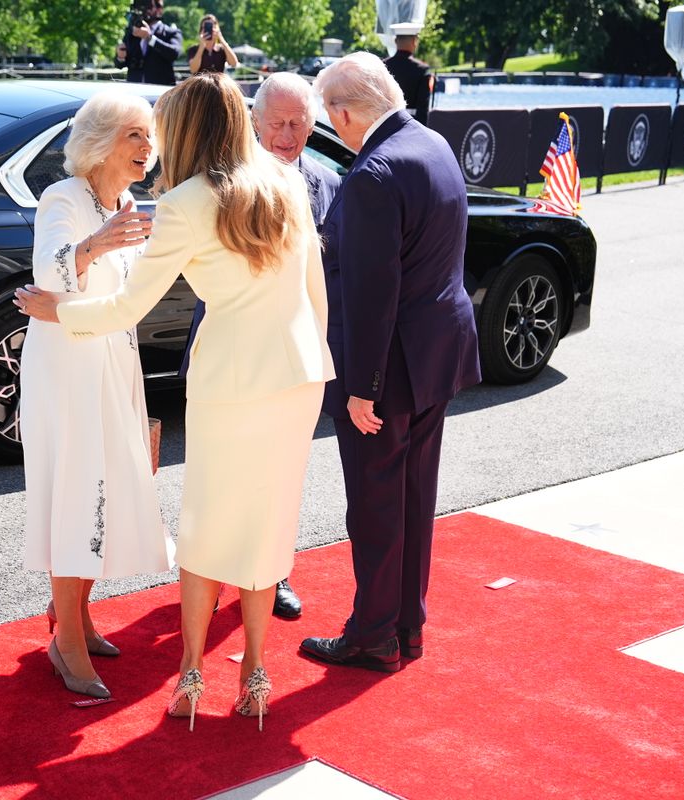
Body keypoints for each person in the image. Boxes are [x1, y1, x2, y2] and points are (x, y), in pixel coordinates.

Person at [15, 73, 333, 731]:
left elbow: (132, 305)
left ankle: (190, 676)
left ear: (186, 130)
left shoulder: (186, 202)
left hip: (233, 380)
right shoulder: (285, 180)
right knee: (269, 523)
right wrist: (313, 359)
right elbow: (317, 294)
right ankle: (253, 673)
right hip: (300, 374)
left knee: (208, 524)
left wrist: (61, 313)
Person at [299, 53, 480, 672]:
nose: (335, 127)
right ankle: (408, 627)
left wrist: (361, 387)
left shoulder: (374, 172)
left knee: (376, 504)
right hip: (437, 354)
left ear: (344, 113)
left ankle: (373, 635)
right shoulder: (433, 144)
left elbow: (372, 292)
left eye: (331, 117)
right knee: (413, 497)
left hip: (390, 367)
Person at [16, 91, 174, 700]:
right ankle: (67, 645)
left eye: (148, 136)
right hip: (67, 369)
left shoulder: (129, 203)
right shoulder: (64, 199)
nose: (146, 148)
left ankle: (76, 617)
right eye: (134, 135)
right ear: (102, 142)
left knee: (107, 486)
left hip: (113, 361)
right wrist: (97, 244)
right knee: (77, 493)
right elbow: (49, 275)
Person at [177, 71, 339, 621]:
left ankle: (273, 575)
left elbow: (323, 280)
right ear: (255, 122)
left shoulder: (324, 184)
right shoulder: (215, 181)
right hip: (231, 355)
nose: (288, 134)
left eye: (299, 123)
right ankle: (216, 575)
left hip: (291, 366)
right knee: (223, 486)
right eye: (278, 123)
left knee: (274, 485)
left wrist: (318, 354)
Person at [114, 0, 181, 85]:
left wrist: (150, 38)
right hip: (135, 90)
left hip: (161, 91)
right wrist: (120, 57)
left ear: (159, 9)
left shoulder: (171, 32)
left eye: (148, 7)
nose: (143, 11)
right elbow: (120, 65)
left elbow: (174, 53)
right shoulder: (132, 33)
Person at [383, 22, 431, 124]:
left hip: (385, 123)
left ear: (395, 41)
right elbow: (422, 108)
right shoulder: (421, 70)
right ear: (415, 41)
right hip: (411, 123)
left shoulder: (382, 66)